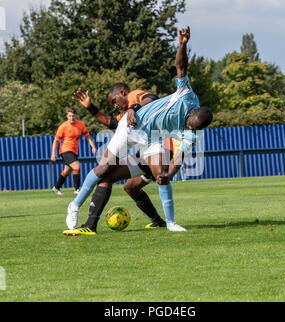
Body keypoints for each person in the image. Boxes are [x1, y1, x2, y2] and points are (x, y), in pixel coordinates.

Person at [63, 26, 213, 236]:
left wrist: (171, 173)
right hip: (132, 126)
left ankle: (169, 222)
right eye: (188, 123)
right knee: (104, 169)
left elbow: (179, 156)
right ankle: (75, 204)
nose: (187, 128)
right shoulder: (186, 94)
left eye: (191, 128)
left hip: (151, 137)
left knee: (161, 175)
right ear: (192, 112)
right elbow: (180, 67)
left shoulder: (191, 131)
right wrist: (182, 44)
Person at [72, 86, 172, 230]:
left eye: (114, 101)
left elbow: (152, 98)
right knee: (129, 187)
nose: (115, 105)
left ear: (123, 93)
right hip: (146, 156)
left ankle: (90, 224)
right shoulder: (128, 114)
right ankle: (158, 221)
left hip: (158, 154)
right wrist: (91, 108)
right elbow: (112, 122)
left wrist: (134, 107)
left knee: (107, 175)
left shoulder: (133, 96)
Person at [51, 107, 97, 195]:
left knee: (67, 171)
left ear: (76, 116)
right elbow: (56, 140)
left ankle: (56, 187)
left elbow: (87, 136)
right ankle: (77, 189)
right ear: (67, 116)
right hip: (65, 150)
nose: (72, 117)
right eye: (70, 116)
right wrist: (53, 154)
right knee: (76, 166)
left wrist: (93, 147)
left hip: (74, 151)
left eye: (73, 116)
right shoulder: (63, 126)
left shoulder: (80, 125)